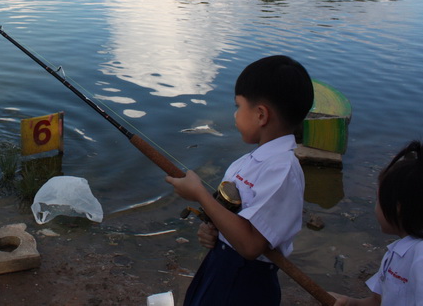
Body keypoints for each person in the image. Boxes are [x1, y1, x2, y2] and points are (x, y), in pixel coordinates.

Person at [166, 55, 314, 306]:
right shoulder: (247, 162)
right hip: (219, 267)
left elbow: (250, 245)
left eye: (238, 106)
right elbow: (231, 221)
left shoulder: (282, 171)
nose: (235, 115)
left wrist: (200, 194)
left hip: (247, 285)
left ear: (260, 115)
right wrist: (211, 231)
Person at [329, 141, 423, 305]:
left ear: (397, 208)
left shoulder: (419, 256)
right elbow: (378, 302)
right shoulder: (394, 252)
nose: (375, 208)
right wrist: (350, 303)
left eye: (377, 200)